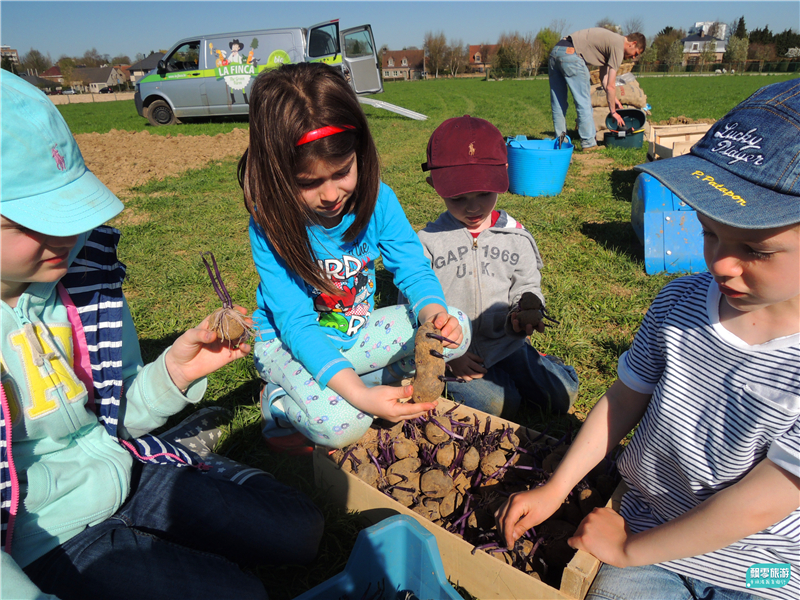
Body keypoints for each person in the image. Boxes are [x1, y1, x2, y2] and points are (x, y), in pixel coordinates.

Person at [0, 71, 324, 600]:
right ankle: (183, 457)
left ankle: (186, 457)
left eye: (68, 212)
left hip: (123, 472)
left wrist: (176, 371)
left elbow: (115, 411)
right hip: (42, 539)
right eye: (38, 220)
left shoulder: (81, 281)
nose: (65, 235)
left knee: (301, 529)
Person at [496, 79, 800, 600]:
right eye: (709, 232)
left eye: (755, 248)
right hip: (643, 522)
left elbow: (763, 501)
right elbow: (623, 399)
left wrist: (629, 553)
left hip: (760, 567)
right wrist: (557, 488)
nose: (721, 262)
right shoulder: (678, 304)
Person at [239, 62, 470, 451]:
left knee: (456, 329)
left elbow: (412, 269)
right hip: (287, 344)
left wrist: (434, 316)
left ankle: (352, 386)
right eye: (308, 182)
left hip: (354, 334)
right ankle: (277, 403)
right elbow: (297, 325)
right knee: (347, 423)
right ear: (277, 173)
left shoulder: (378, 199)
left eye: (342, 172)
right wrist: (358, 399)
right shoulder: (271, 223)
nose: (330, 195)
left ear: (359, 152)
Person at [413, 115, 579, 419]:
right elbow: (416, 309)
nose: (473, 207)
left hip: (507, 344)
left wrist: (526, 309)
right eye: (459, 198)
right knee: (499, 406)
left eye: (484, 194)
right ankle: (506, 388)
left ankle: (543, 364)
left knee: (562, 397)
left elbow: (527, 285)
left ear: (502, 180)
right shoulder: (428, 243)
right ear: (434, 186)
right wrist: (449, 358)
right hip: (458, 355)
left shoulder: (515, 235)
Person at [549, 28, 646, 152]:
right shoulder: (618, 46)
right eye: (635, 53)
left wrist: (614, 99)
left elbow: (604, 80)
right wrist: (613, 112)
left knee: (558, 104)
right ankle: (589, 143)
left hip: (556, 51)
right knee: (583, 101)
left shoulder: (610, 42)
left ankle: (561, 145)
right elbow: (611, 85)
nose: (633, 57)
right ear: (633, 44)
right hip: (573, 55)